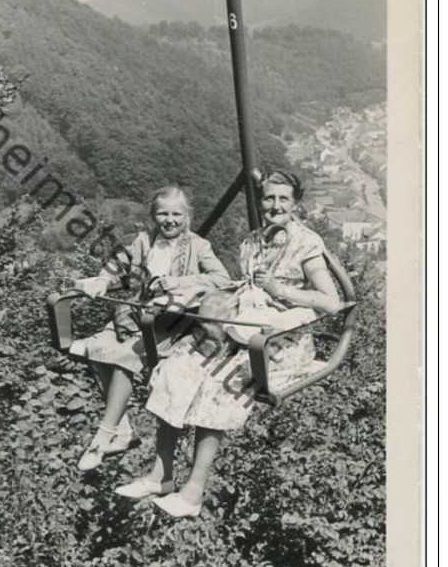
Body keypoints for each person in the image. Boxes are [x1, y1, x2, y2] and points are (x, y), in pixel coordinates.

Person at [115, 171, 341, 517]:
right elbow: (244, 285)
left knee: (220, 382)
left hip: (279, 339)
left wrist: (280, 291)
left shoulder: (305, 243)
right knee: (177, 366)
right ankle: (161, 476)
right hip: (242, 324)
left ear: (296, 203)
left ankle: (192, 494)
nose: (275, 205)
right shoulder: (252, 242)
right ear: (260, 201)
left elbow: (330, 302)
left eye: (283, 199)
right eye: (269, 198)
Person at [70, 185, 230, 472]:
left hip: (171, 323)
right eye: (162, 214)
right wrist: (102, 281)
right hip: (137, 314)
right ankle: (123, 431)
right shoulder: (145, 241)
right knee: (95, 351)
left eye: (176, 214)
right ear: (153, 216)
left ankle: (102, 438)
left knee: (123, 360)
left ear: (187, 216)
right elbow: (118, 266)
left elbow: (221, 278)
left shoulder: (198, 246)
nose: (169, 220)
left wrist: (179, 283)